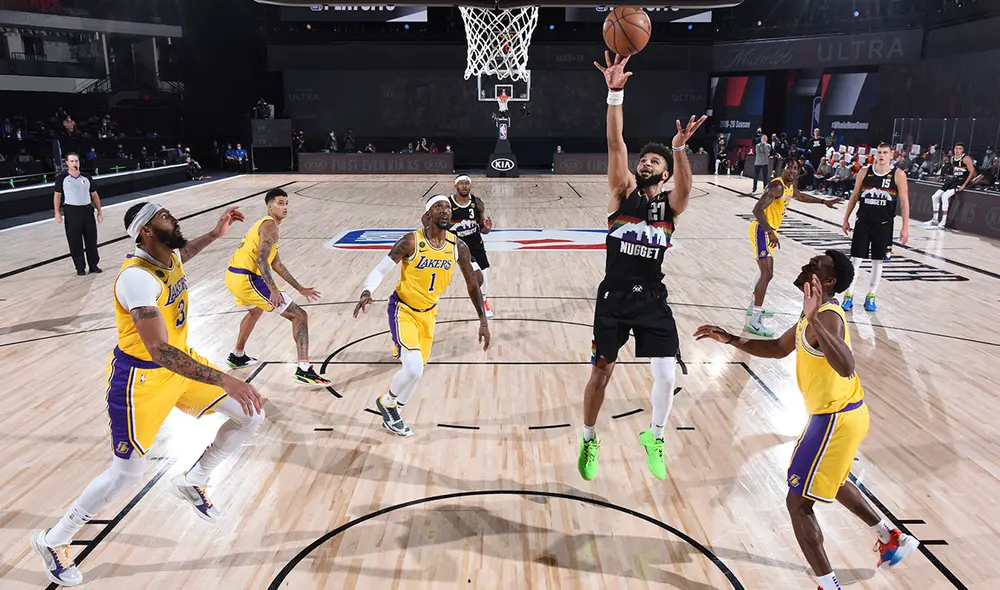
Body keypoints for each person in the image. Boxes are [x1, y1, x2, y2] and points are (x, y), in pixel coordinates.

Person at [31, 203, 265, 587]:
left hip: (180, 365)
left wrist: (214, 234)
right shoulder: (136, 279)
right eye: (164, 217)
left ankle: (194, 479)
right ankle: (54, 539)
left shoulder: (167, 256)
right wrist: (225, 379)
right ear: (146, 231)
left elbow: (183, 255)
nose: (174, 218)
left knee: (250, 415)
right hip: (139, 381)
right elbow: (159, 350)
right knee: (125, 476)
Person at [694, 250, 919, 590]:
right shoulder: (813, 314)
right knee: (835, 480)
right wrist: (731, 338)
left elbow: (847, 366)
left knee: (798, 501)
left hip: (834, 419)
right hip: (845, 414)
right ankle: (891, 537)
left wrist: (813, 319)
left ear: (828, 281)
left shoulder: (827, 317)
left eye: (815, 265)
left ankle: (828, 585)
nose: (805, 266)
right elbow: (779, 348)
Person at [577, 51, 706, 482]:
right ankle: (589, 437)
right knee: (601, 375)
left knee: (666, 376)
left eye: (655, 162)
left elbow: (686, 187)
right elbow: (616, 143)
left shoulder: (672, 206)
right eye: (645, 160)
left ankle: (655, 436)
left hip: (652, 299)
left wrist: (679, 149)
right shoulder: (622, 192)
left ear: (665, 174)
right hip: (614, 297)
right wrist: (615, 94)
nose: (646, 163)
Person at [354, 194, 491, 437]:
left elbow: (472, 284)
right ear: (427, 215)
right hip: (403, 310)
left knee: (416, 373)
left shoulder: (457, 247)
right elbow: (381, 269)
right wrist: (367, 290)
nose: (444, 210)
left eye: (447, 207)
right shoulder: (411, 241)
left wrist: (483, 321)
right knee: (414, 368)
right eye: (438, 206)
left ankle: (394, 413)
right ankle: (387, 402)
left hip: (429, 314)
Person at [224, 188, 330, 385]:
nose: (285, 207)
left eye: (287, 203)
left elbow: (277, 264)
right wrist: (273, 289)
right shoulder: (269, 225)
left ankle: (237, 355)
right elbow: (261, 260)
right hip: (247, 278)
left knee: (255, 312)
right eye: (280, 203)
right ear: (269, 206)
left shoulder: (268, 226)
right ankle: (304, 370)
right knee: (299, 315)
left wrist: (300, 288)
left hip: (233, 276)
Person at [747, 158, 839, 337]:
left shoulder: (789, 187)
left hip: (769, 231)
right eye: (789, 167)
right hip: (762, 230)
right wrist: (770, 231)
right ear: (783, 169)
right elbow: (757, 210)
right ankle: (754, 321)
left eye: (795, 168)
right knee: (767, 273)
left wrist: (823, 201)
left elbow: (801, 196)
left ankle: (754, 307)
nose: (792, 170)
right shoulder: (777, 186)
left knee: (763, 272)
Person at [840, 143, 910, 312]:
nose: (881, 155)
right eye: (879, 152)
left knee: (878, 261)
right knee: (855, 260)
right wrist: (846, 219)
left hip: (884, 226)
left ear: (891, 155)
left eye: (885, 152)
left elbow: (904, 201)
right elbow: (854, 196)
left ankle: (871, 295)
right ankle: (849, 294)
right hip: (863, 223)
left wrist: (905, 227)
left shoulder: (898, 174)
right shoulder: (864, 172)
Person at [449, 174, 494, 318]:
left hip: (475, 243)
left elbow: (482, 228)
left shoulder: (477, 203)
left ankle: (484, 301)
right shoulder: (447, 204)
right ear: (456, 186)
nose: (464, 186)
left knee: (483, 272)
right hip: (456, 244)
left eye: (467, 183)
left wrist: (487, 228)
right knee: (442, 272)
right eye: (461, 183)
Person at [54, 153, 103, 275]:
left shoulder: (86, 177)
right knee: (75, 241)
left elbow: (94, 194)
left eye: (76, 161)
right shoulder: (62, 178)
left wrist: (99, 211)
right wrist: (57, 212)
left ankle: (93, 265)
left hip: (87, 210)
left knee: (91, 239)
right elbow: (57, 195)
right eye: (72, 161)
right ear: (67, 163)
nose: (75, 163)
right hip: (72, 211)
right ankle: (80, 267)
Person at [924, 142, 975, 229]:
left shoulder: (966, 158)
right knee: (935, 197)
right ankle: (935, 219)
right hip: (953, 180)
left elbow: (972, 171)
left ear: (963, 150)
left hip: (961, 181)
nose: (957, 150)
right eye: (956, 148)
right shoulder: (952, 159)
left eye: (959, 149)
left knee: (945, 196)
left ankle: (943, 221)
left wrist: (964, 185)